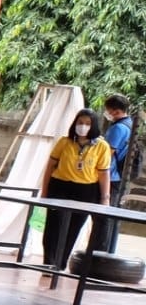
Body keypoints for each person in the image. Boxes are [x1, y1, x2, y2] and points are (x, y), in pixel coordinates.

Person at [38, 107, 113, 275]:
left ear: (94, 126)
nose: (83, 126)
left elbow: (103, 173)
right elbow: (50, 166)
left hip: (86, 191)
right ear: (75, 124)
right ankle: (48, 264)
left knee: (73, 228)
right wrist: (45, 191)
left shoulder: (102, 146)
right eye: (80, 122)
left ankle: (60, 264)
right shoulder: (65, 142)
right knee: (54, 226)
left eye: (87, 123)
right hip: (60, 187)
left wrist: (104, 197)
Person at [90, 94, 134, 255]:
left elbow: (107, 153)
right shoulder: (129, 124)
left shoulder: (118, 128)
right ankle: (102, 252)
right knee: (106, 218)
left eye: (108, 110)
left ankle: (98, 254)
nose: (106, 113)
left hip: (110, 176)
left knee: (102, 218)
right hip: (115, 177)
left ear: (115, 111)